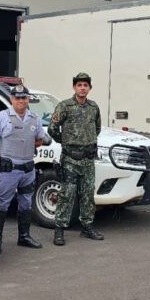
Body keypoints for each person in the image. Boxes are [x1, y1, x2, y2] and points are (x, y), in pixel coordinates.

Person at [0, 84, 50, 254]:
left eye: (24, 98)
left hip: (28, 169)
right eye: (17, 98)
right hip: (9, 170)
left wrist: (25, 147)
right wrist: (4, 154)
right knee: (3, 204)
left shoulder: (35, 118)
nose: (20, 101)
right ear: (11, 99)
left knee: (26, 202)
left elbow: (39, 140)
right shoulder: (2, 117)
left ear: (28, 99)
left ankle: (24, 237)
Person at [48, 72, 104, 246]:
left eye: (85, 85)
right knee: (67, 194)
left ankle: (87, 227)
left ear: (89, 88)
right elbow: (52, 128)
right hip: (71, 159)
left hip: (88, 159)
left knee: (88, 194)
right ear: (74, 87)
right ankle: (59, 229)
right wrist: (66, 143)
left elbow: (97, 128)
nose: (82, 88)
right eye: (79, 85)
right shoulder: (64, 106)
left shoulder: (93, 107)